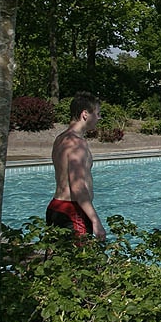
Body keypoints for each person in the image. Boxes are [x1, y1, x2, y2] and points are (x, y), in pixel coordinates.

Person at [46, 92, 106, 240]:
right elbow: (77, 186)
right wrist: (95, 220)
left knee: (59, 254)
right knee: (83, 254)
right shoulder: (77, 144)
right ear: (85, 114)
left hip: (55, 207)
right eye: (97, 114)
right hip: (72, 210)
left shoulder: (60, 139)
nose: (99, 118)